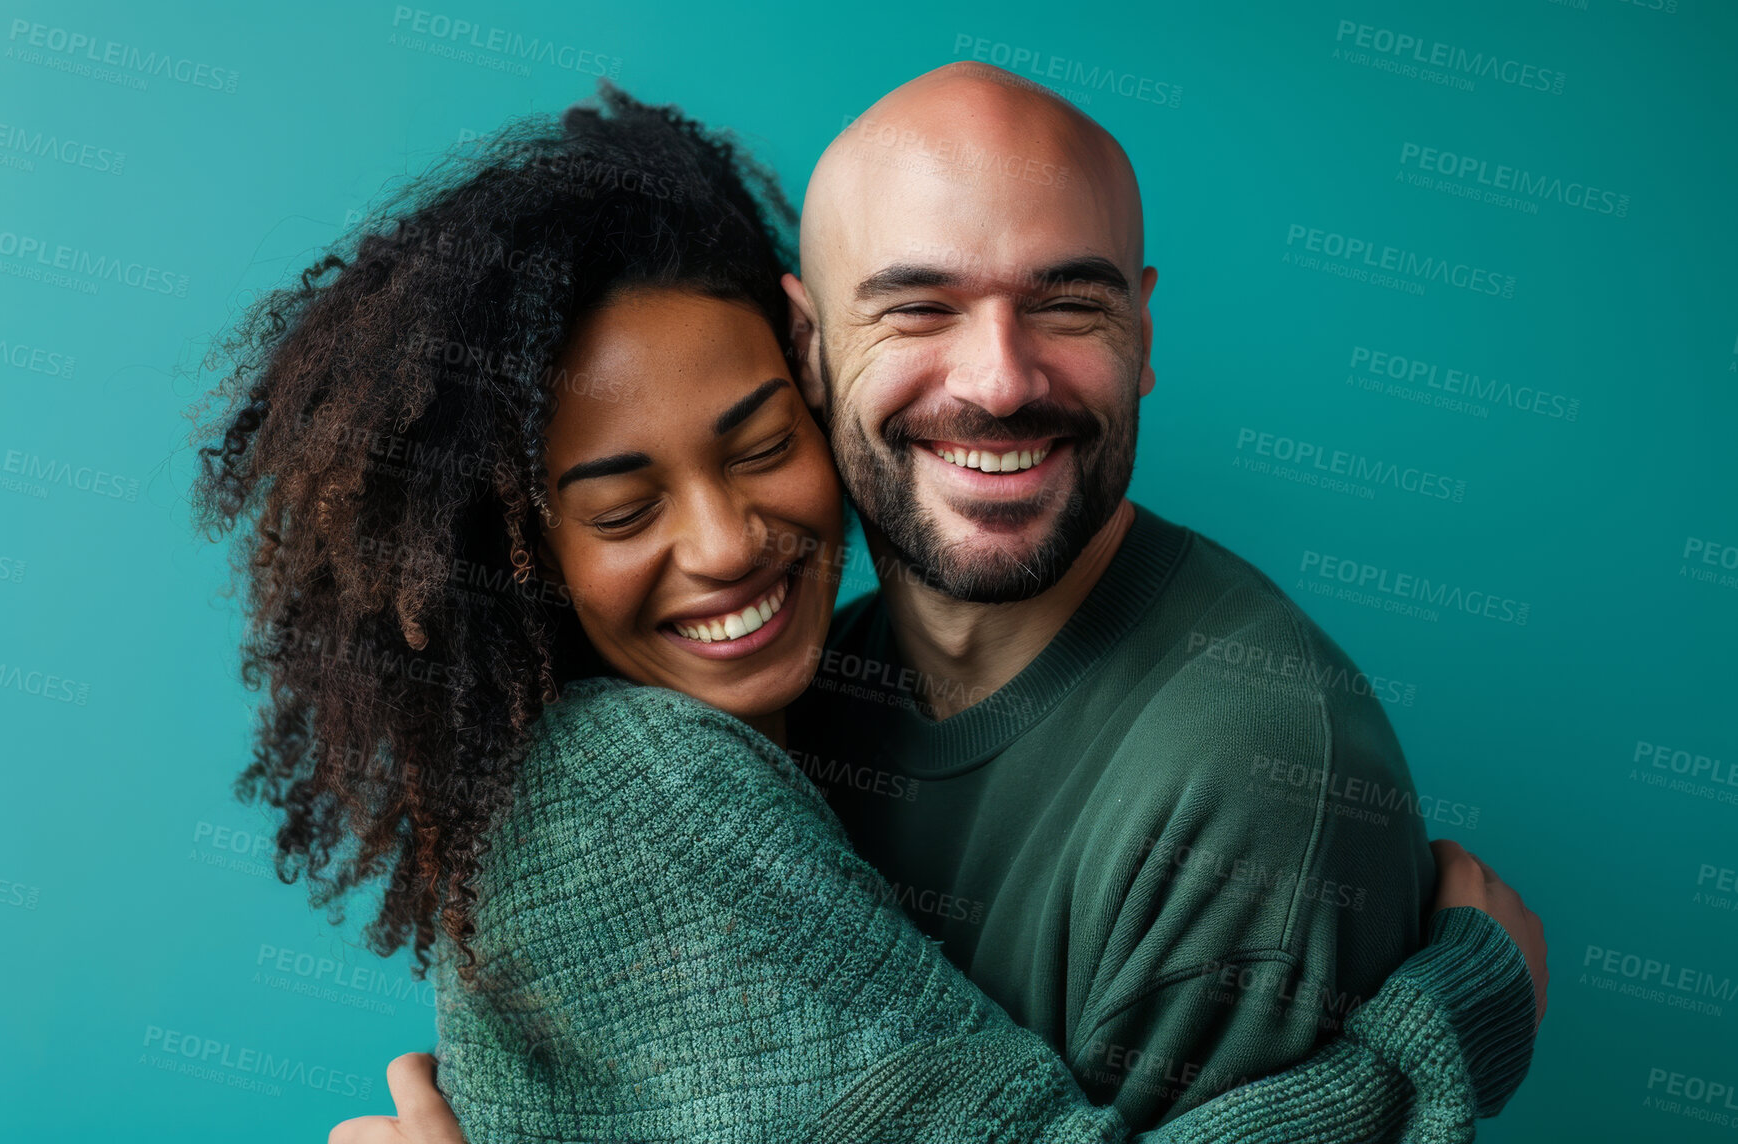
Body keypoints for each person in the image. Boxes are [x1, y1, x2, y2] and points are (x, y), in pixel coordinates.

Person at [189, 83, 1541, 1143]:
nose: (723, 543)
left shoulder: (852, 703)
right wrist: (1450, 1023)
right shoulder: (634, 784)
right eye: (619, 507)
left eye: (756, 444)